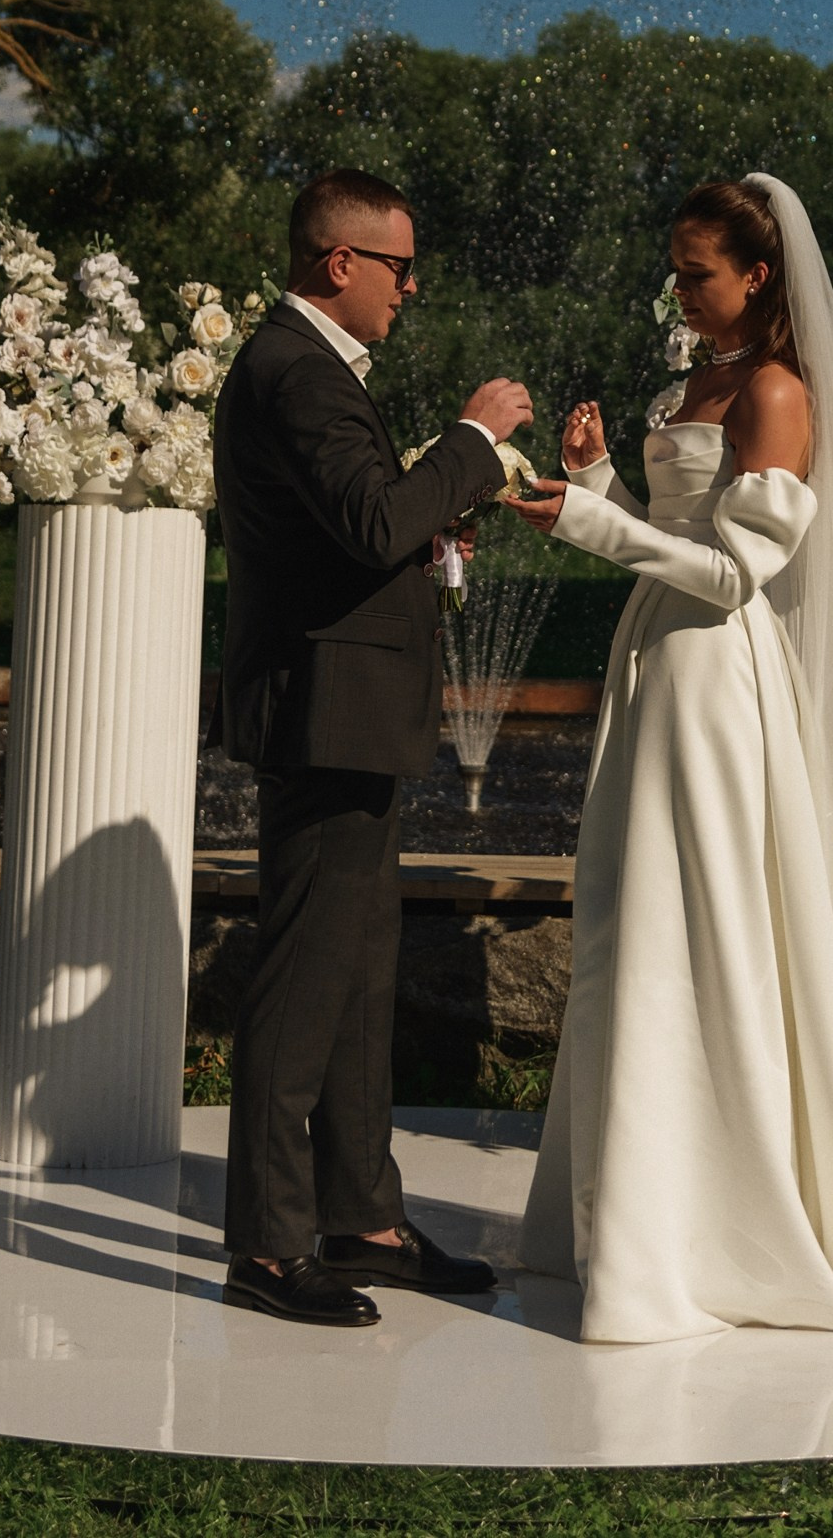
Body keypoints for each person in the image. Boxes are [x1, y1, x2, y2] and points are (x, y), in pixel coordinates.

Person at [504, 173, 833, 1344]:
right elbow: (671, 543)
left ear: (758, 273)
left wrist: (577, 513)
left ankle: (716, 1230)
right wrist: (601, 481)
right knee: (634, 918)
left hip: (720, 677)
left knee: (703, 925)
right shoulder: (696, 383)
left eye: (696, 272)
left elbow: (730, 576)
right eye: (675, 271)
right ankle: (639, 1212)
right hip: (655, 664)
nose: (678, 290)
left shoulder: (776, 391)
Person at [212, 165, 533, 1327]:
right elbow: (371, 522)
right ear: (336, 263)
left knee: (357, 975)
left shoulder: (312, 370)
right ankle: (266, 1244)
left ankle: (363, 1220)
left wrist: (444, 515)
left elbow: (364, 528)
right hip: (323, 711)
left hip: (353, 710)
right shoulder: (295, 371)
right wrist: (470, 441)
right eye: (397, 266)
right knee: (305, 982)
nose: (411, 287)